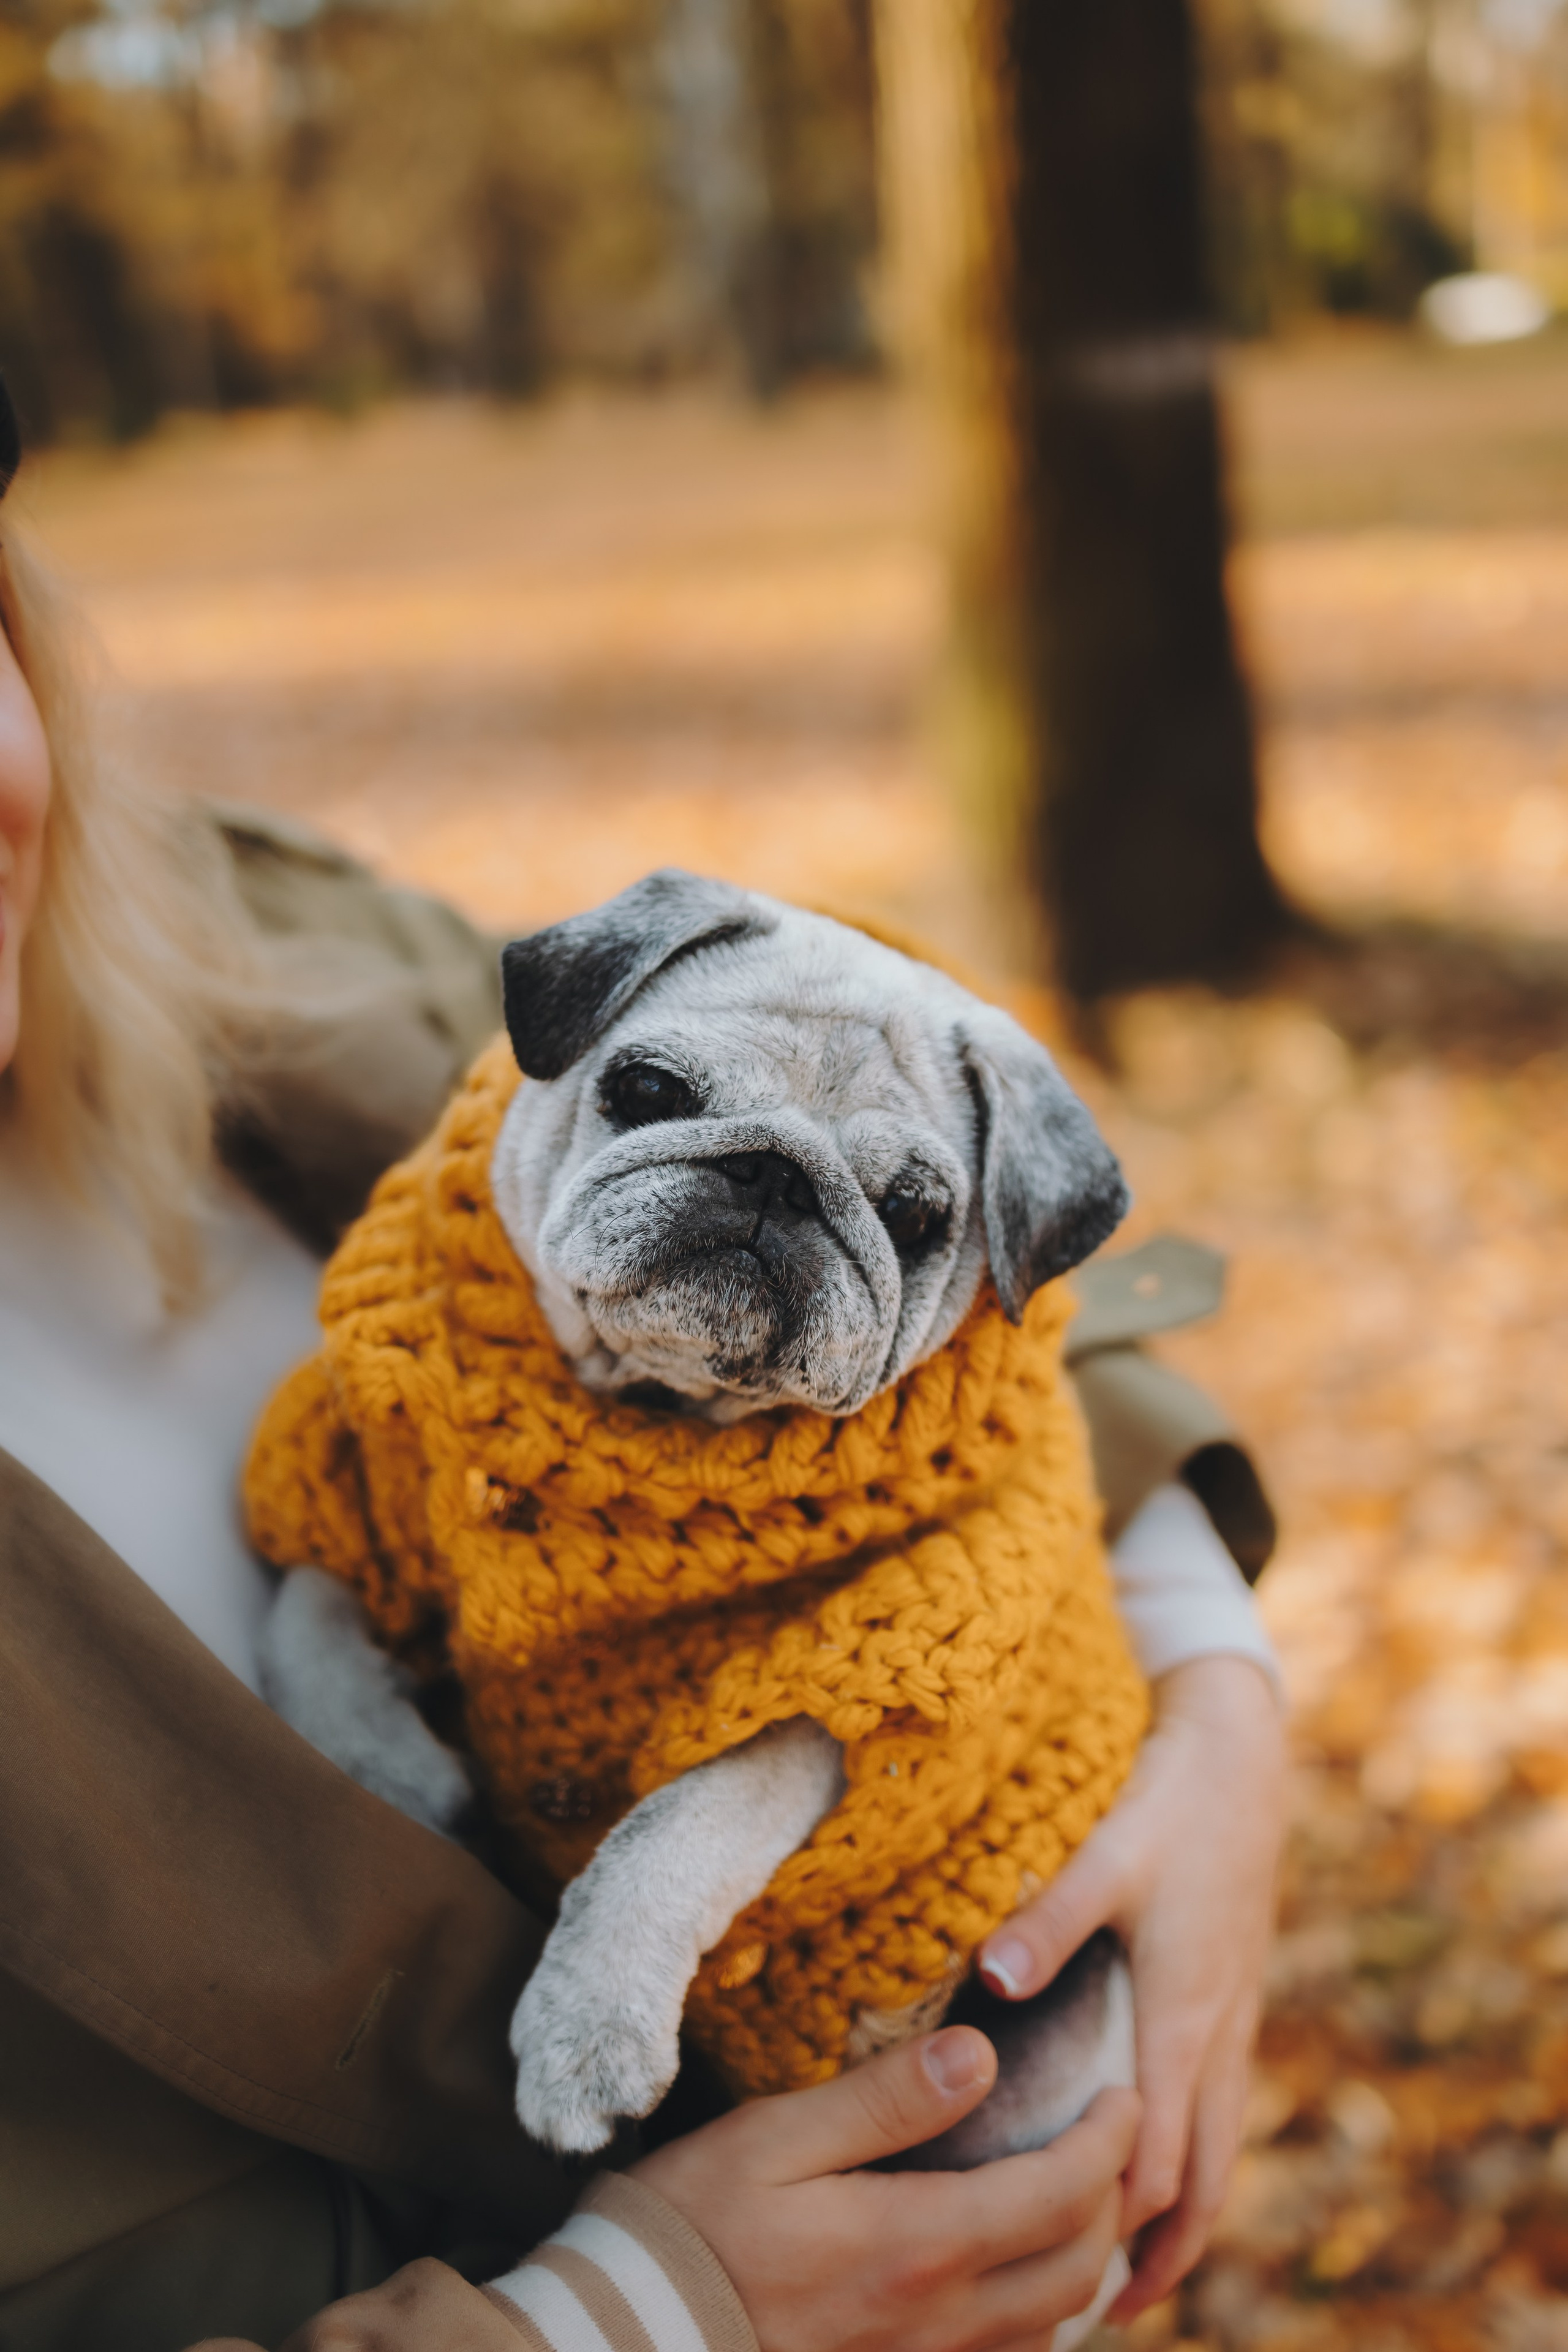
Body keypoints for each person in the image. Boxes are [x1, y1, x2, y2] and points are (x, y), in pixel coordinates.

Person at [0, 374, 1286, 2352]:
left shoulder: (244, 908)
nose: (761, 1208)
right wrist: (624, 2317)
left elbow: (1009, 1370)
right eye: (679, 1111)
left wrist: (1215, 1698)